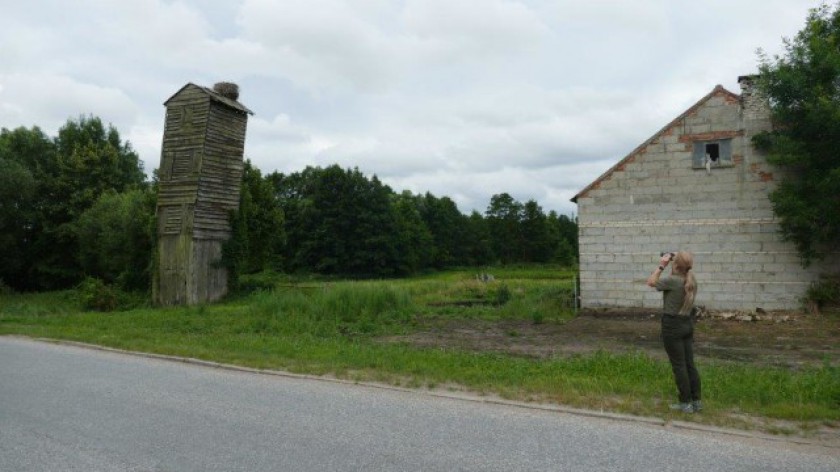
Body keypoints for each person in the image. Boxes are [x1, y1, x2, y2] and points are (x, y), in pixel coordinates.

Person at [646, 251, 702, 413]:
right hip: (687, 323)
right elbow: (683, 267)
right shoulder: (691, 280)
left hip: (672, 326)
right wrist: (678, 258)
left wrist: (662, 265)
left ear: (675, 265)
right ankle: (696, 401)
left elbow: (651, 282)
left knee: (679, 366)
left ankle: (685, 403)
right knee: (689, 364)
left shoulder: (673, 281)